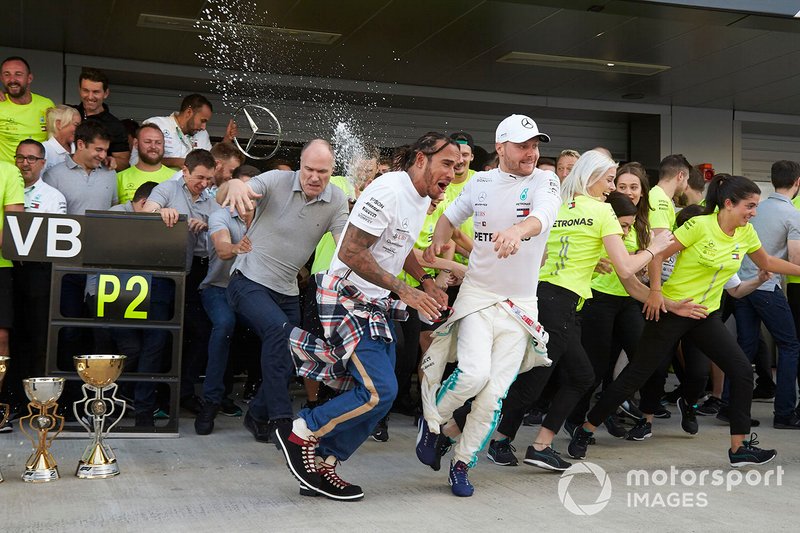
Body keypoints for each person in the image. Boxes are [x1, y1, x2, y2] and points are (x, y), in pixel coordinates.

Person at [273, 132, 457, 501]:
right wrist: (406, 291)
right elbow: (354, 252)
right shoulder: (388, 190)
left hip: (373, 303)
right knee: (380, 390)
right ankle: (302, 431)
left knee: (381, 395)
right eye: (447, 164)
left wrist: (423, 279)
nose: (454, 173)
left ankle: (322, 463)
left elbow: (399, 244)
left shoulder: (421, 197)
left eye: (457, 166)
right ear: (421, 159)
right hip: (346, 297)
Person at [576, 174, 800, 467]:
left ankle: (739, 448)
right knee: (637, 374)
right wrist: (656, 293)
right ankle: (586, 429)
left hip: (703, 314)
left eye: (755, 206)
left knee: (742, 371)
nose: (754, 212)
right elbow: (656, 256)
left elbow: (768, 263)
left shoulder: (746, 234)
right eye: (750, 206)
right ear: (729, 204)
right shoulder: (699, 225)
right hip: (671, 311)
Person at [478, 151, 675, 473]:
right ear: (590, 177)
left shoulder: (557, 207)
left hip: (540, 295)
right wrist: (655, 248)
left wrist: (588, 262)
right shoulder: (601, 211)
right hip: (560, 302)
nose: (614, 189)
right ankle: (474, 434)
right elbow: (626, 268)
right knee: (539, 378)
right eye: (610, 180)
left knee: (568, 375)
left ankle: (520, 442)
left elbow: (545, 254)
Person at [414, 115, 562, 496]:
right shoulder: (480, 181)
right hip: (478, 295)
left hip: (521, 304)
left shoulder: (546, 179)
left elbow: (543, 217)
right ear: (500, 148)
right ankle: (433, 424)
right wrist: (438, 244)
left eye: (535, 145)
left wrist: (516, 231)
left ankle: (462, 463)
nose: (531, 152)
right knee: (472, 375)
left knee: (495, 392)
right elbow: (449, 216)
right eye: (522, 145)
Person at [219, 139, 349, 445]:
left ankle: (257, 414)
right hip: (248, 280)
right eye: (308, 169)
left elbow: (345, 244)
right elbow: (228, 194)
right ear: (300, 166)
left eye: (323, 171)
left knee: (294, 353)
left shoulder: (336, 199)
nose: (315, 177)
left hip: (288, 290)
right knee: (281, 334)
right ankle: (280, 421)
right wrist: (233, 185)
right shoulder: (276, 180)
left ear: (332, 171)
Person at [142, 149, 220, 414]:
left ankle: (184, 393)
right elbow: (146, 213)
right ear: (185, 171)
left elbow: (224, 228)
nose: (204, 184)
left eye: (209, 179)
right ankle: (148, 404)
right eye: (199, 177)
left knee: (199, 334)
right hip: (164, 273)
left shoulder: (211, 198)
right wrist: (162, 213)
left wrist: (207, 225)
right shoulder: (167, 188)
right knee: (159, 337)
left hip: (198, 271)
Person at [733, 160, 800, 429]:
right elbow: (795, 257)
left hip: (742, 285)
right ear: (798, 182)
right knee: (790, 346)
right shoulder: (793, 214)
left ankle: (730, 406)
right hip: (767, 286)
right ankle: (784, 413)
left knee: (743, 347)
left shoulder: (756, 210)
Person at [194, 174, 255, 435]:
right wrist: (237, 247)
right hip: (218, 289)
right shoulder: (221, 215)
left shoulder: (265, 216)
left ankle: (264, 404)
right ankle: (211, 402)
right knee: (224, 325)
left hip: (252, 291)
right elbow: (221, 248)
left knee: (276, 328)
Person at [134, 94, 235, 169]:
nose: (204, 127)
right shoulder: (157, 125)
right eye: (202, 121)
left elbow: (210, 164)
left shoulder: (202, 134)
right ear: (189, 112)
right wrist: (176, 162)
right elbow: (136, 161)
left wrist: (226, 140)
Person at [42, 120, 117, 214]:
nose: (103, 155)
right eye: (99, 150)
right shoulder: (53, 175)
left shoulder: (110, 172)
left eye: (105, 151)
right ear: (80, 144)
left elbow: (113, 207)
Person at [0, 56, 55, 164]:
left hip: (39, 175)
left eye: (18, 74)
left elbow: (56, 140)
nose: (12, 80)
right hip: (6, 178)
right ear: (2, 78)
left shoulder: (47, 105)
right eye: (7, 74)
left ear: (29, 78)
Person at [73, 68, 131, 170]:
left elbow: (124, 162)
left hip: (97, 178)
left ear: (106, 93)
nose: (90, 97)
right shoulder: (69, 113)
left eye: (96, 92)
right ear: (79, 90)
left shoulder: (115, 125)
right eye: (85, 90)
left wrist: (108, 160)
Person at [116, 124, 175, 203]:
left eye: (158, 143)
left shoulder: (176, 178)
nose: (153, 147)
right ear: (136, 144)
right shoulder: (119, 178)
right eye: (148, 142)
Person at [42, 105, 80, 174]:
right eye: (76, 125)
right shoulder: (44, 150)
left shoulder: (79, 148)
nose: (80, 130)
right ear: (59, 124)